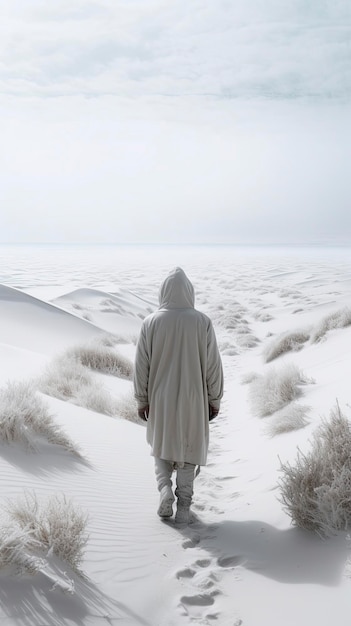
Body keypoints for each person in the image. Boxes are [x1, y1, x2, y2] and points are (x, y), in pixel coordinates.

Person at [133, 267, 223, 525]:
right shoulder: (202, 321)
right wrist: (214, 398)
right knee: (189, 449)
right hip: (195, 397)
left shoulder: (150, 322)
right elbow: (213, 365)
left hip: (160, 397)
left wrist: (142, 399)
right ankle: (184, 506)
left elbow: (141, 365)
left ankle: (164, 491)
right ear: (189, 292)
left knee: (162, 446)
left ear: (163, 292)